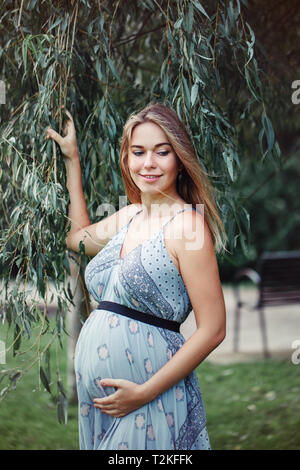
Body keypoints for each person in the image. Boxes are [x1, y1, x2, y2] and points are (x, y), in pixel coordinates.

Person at [46, 103, 226, 450]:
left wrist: (143, 393)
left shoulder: (187, 225)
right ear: (126, 159)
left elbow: (214, 328)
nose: (149, 163)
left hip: (150, 396)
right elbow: (76, 238)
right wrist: (72, 161)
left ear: (179, 159)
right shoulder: (129, 215)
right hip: (103, 406)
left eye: (162, 152)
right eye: (138, 152)